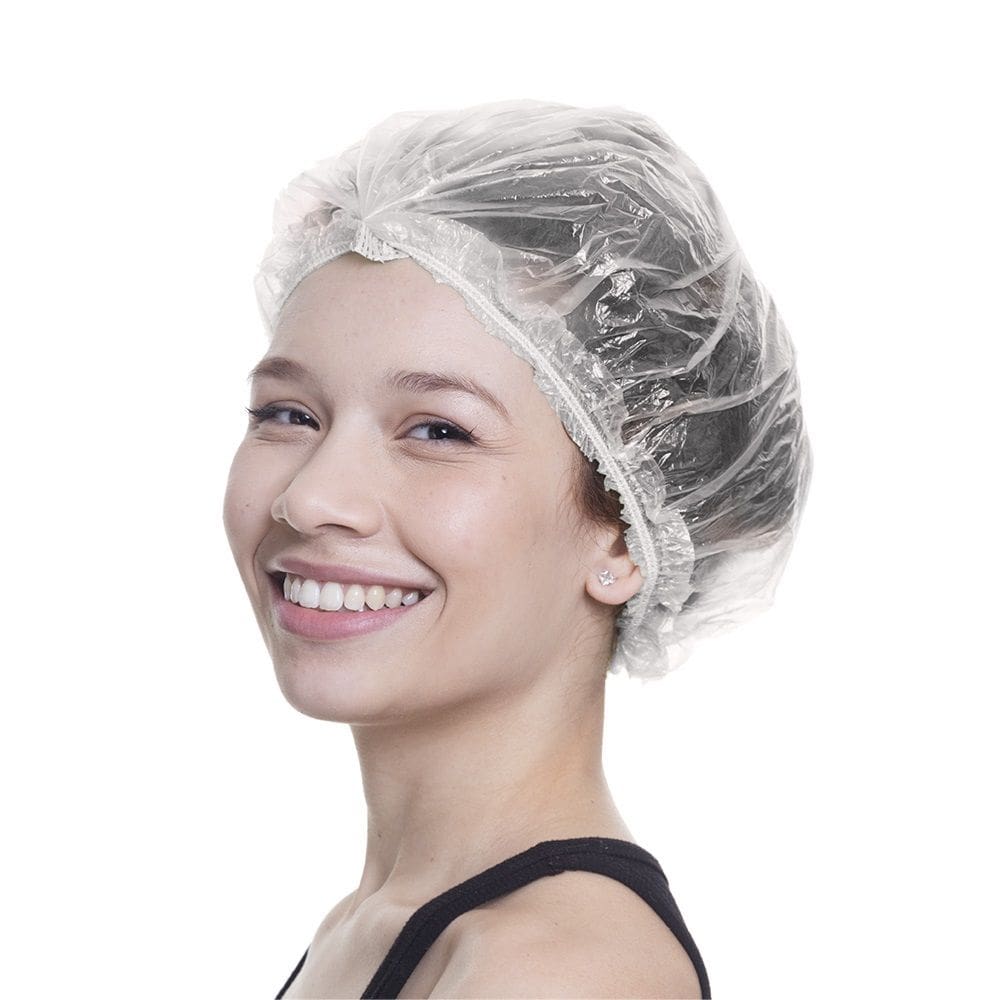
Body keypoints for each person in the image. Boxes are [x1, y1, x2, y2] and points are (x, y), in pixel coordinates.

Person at [223, 99, 811, 999]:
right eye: (288, 413)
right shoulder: (372, 929)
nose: (310, 497)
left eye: (439, 430)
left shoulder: (553, 968)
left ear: (626, 532)